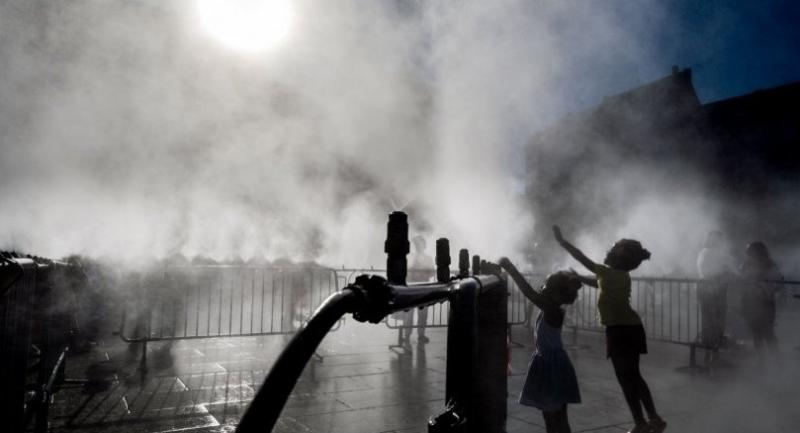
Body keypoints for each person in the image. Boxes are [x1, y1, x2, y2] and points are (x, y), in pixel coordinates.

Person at [553, 225, 666, 433]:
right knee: (633, 376)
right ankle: (652, 419)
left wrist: (562, 242)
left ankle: (642, 423)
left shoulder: (607, 272)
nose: (609, 249)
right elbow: (599, 284)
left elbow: (582, 258)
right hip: (630, 328)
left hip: (619, 330)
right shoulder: (620, 275)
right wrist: (581, 279)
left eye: (613, 248)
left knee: (626, 379)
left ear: (618, 256)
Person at [498, 257, 582, 433]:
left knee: (553, 415)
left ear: (556, 294)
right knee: (555, 414)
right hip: (553, 363)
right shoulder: (550, 311)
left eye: (546, 287)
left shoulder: (552, 311)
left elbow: (529, 292)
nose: (542, 288)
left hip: (551, 366)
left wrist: (511, 268)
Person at [696, 231, 737, 364]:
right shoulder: (705, 252)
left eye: (718, 239)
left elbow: (731, 270)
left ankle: (714, 352)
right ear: (710, 240)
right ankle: (709, 352)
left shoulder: (721, 254)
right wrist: (725, 272)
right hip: (708, 290)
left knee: (718, 321)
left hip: (718, 290)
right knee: (710, 322)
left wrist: (733, 274)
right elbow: (706, 271)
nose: (716, 242)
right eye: (714, 239)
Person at [740, 241, 783, 354]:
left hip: (766, 302)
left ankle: (778, 360)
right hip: (750, 302)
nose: (747, 253)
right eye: (747, 251)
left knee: (768, 333)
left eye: (750, 251)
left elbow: (779, 283)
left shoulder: (769, 264)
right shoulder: (746, 264)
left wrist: (768, 290)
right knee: (756, 333)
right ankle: (761, 361)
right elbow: (742, 280)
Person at [396, 236, 435, 346]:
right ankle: (407, 335)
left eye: (419, 244)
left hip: (423, 287)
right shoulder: (411, 257)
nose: (417, 246)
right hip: (412, 287)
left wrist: (423, 271)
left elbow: (432, 273)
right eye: (416, 244)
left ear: (423, 245)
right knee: (409, 313)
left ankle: (420, 335)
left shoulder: (427, 259)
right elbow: (405, 270)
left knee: (422, 314)